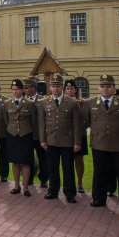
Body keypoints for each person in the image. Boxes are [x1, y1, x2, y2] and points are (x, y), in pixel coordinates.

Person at [84, 75, 119, 213]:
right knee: (100, 174)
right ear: (98, 88)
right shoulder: (90, 103)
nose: (105, 89)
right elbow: (87, 121)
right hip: (99, 145)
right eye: (103, 86)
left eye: (108, 86)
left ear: (114, 88)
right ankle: (98, 199)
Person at [39, 74, 82, 203]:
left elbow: (77, 124)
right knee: (52, 168)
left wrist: (77, 143)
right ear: (50, 88)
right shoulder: (44, 102)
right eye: (53, 86)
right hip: (51, 141)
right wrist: (42, 140)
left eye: (58, 86)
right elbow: (41, 123)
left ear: (62, 87)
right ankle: (53, 190)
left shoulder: (73, 102)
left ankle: (70, 193)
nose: (56, 89)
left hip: (67, 142)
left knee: (68, 168)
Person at [4, 79, 38, 197]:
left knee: (25, 163)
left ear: (23, 90)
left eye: (17, 89)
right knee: (14, 162)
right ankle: (16, 186)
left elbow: (33, 122)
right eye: (13, 89)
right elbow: (6, 120)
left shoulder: (29, 104)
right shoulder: (7, 103)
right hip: (13, 136)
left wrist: (31, 134)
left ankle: (26, 187)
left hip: (25, 136)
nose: (15, 92)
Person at [64, 80, 88, 193]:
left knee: (79, 160)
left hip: (80, 135)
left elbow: (87, 119)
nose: (69, 91)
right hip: (66, 136)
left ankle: (80, 183)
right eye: (67, 89)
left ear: (76, 90)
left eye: (72, 88)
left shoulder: (82, 103)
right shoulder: (62, 102)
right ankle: (69, 184)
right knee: (67, 161)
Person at [24, 76, 48, 188]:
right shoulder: (22, 100)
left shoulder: (43, 100)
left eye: (27, 87)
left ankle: (43, 179)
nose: (25, 89)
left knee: (43, 158)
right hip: (27, 134)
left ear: (33, 88)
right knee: (28, 159)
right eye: (24, 87)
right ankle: (29, 179)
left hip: (39, 135)